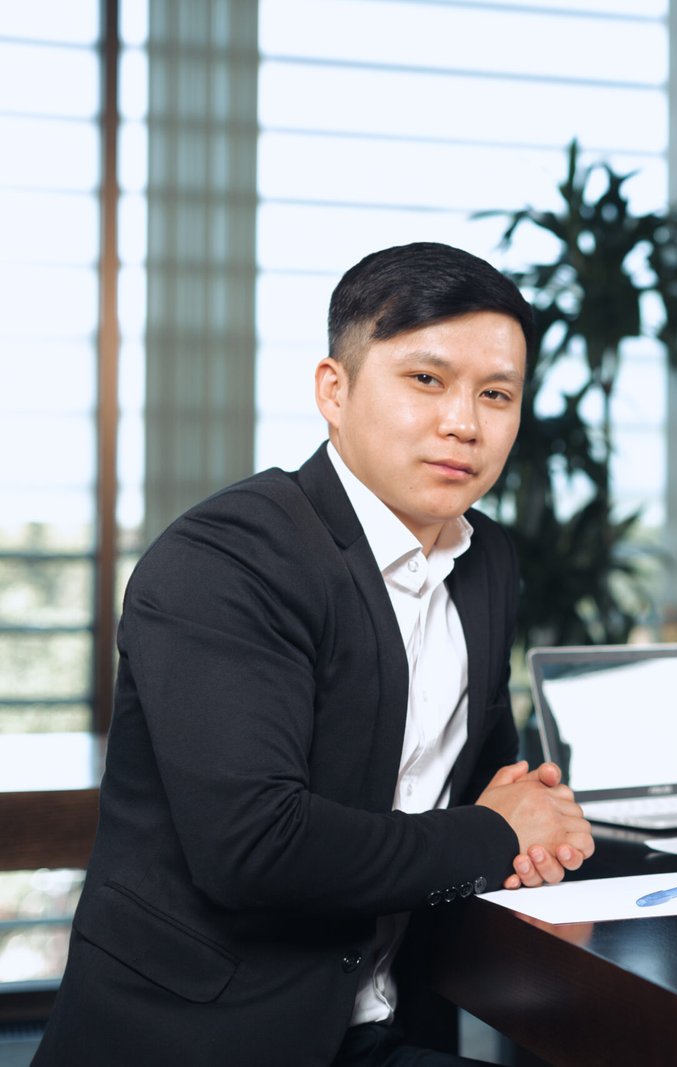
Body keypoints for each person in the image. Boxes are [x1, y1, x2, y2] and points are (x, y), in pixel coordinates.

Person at [36, 242, 595, 1065]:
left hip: (375, 1025)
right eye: (426, 380)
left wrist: (531, 813)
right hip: (201, 1038)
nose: (463, 423)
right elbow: (257, 849)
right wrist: (494, 831)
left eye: (497, 394)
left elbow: (486, 772)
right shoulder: (227, 558)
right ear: (335, 390)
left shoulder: (486, 560)